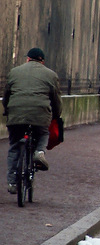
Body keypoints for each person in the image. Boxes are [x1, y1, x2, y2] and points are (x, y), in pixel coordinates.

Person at [3, 48, 62, 194]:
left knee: (15, 147)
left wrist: (7, 110)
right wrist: (56, 115)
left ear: (28, 59)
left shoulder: (14, 72)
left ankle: (12, 183)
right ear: (42, 61)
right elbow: (56, 100)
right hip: (39, 114)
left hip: (16, 114)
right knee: (43, 134)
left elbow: (6, 96)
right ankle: (39, 152)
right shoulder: (51, 75)